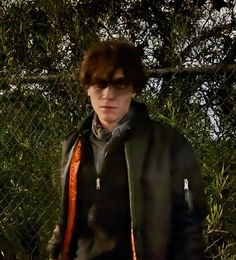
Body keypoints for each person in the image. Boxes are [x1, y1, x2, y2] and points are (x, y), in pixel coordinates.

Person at [48, 39, 207, 260]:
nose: (108, 94)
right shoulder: (74, 145)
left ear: (133, 89)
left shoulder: (169, 144)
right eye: (100, 84)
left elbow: (189, 222)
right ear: (87, 88)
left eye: (119, 84)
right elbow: (67, 216)